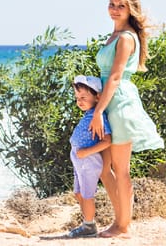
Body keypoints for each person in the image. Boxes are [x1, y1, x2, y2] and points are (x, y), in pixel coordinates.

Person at [89, 0, 164, 239]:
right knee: (103, 167)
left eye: (121, 5)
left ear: (131, 8)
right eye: (112, 4)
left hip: (118, 104)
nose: (115, 9)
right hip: (107, 102)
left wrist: (98, 112)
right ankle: (119, 219)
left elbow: (115, 77)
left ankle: (122, 226)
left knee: (120, 169)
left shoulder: (125, 38)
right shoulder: (113, 35)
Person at [67, 75, 112, 238]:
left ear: (97, 96)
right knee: (78, 193)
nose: (79, 101)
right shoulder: (89, 115)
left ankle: (89, 226)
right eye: (77, 97)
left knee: (87, 195)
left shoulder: (98, 117)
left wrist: (86, 152)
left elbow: (107, 140)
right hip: (79, 159)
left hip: (88, 160)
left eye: (83, 97)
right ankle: (87, 220)